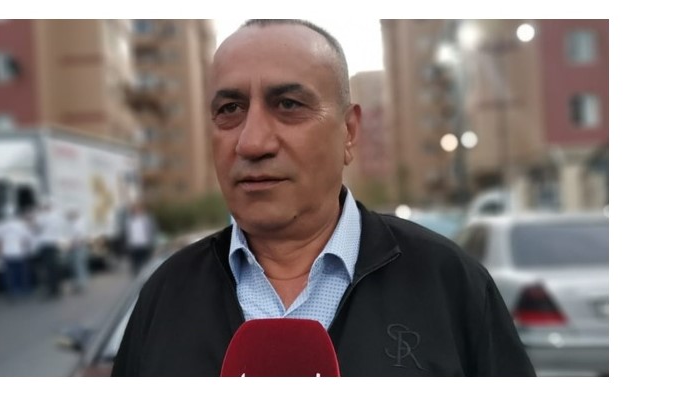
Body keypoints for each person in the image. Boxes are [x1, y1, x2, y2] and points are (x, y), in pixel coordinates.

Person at [112, 19, 535, 376]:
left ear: (349, 132)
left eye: (288, 104)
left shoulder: (450, 285)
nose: (252, 142)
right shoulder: (166, 294)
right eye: (230, 110)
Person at [124, 201, 157, 276]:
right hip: (134, 245)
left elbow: (153, 230)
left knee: (146, 264)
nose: (138, 211)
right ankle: (137, 277)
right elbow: (127, 233)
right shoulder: (129, 221)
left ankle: (146, 277)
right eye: (136, 209)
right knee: (135, 265)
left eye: (139, 209)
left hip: (145, 244)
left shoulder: (147, 219)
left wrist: (152, 242)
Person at [65, 209, 90, 293]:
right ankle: (78, 284)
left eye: (71, 214)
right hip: (75, 247)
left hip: (78, 247)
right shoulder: (74, 224)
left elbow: (80, 236)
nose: (69, 216)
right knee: (76, 267)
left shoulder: (79, 223)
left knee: (79, 267)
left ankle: (81, 285)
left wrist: (74, 245)